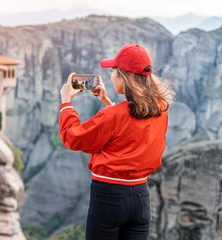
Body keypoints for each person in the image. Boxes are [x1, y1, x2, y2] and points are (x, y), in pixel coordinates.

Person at [59, 44, 175, 240]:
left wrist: (66, 103)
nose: (111, 75)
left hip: (109, 197)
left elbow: (73, 138)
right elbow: (130, 127)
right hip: (141, 198)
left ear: (123, 76)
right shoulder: (161, 110)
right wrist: (107, 102)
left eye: (113, 71)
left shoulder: (112, 116)